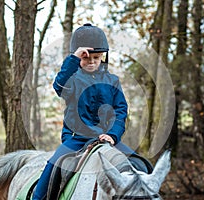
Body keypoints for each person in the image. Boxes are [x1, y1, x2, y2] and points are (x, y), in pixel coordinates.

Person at [32, 23, 135, 200]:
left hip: (107, 139)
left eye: (96, 57)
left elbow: (120, 111)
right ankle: (37, 198)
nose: (92, 61)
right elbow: (59, 87)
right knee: (53, 166)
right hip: (77, 139)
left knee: (137, 163)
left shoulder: (113, 81)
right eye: (86, 58)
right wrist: (74, 58)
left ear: (103, 57)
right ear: (79, 57)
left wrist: (112, 135)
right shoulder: (73, 79)